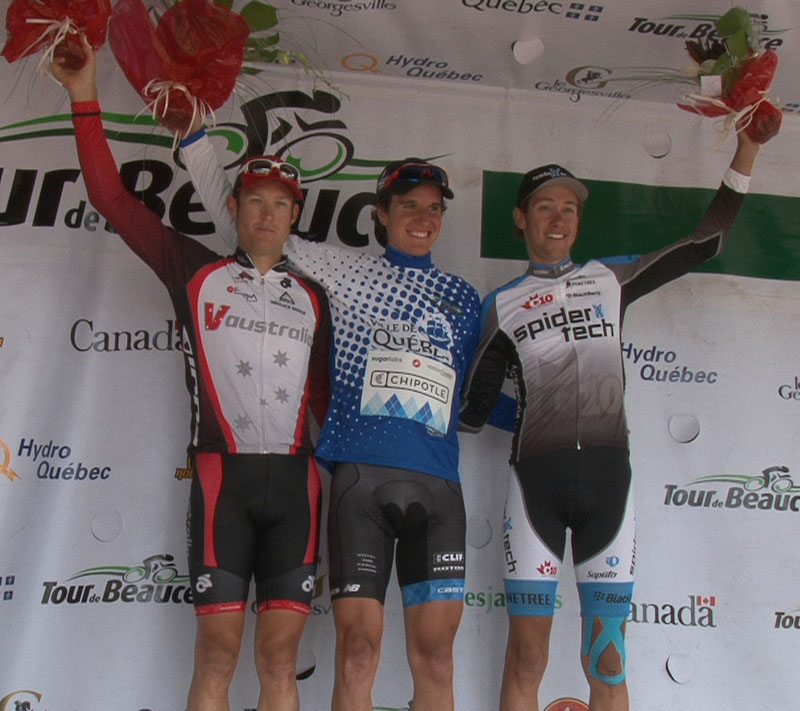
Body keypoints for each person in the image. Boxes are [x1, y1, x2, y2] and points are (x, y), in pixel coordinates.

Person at [52, 37, 331, 711]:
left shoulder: (318, 295)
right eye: (254, 200)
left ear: (295, 216)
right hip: (221, 481)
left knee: (279, 659)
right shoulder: (196, 271)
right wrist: (84, 94)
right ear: (234, 209)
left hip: (297, 485)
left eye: (280, 203)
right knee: (216, 654)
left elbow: (325, 397)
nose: (267, 213)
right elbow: (113, 200)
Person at [460, 126, 775, 711]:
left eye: (570, 208)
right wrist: (537, 412)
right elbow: (473, 414)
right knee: (527, 656)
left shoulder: (609, 279)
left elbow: (706, 242)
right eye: (545, 207)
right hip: (536, 491)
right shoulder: (500, 304)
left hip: (610, 484)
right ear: (520, 219)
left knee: (607, 655)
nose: (559, 218)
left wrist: (747, 151)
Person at [181, 131, 481, 710]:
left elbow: (472, 396)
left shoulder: (464, 297)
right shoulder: (339, 271)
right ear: (381, 215)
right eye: (409, 206)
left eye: (433, 209)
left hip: (440, 482)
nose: (422, 218)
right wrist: (194, 142)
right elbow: (251, 228)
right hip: (357, 482)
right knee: (360, 650)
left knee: (439, 657)